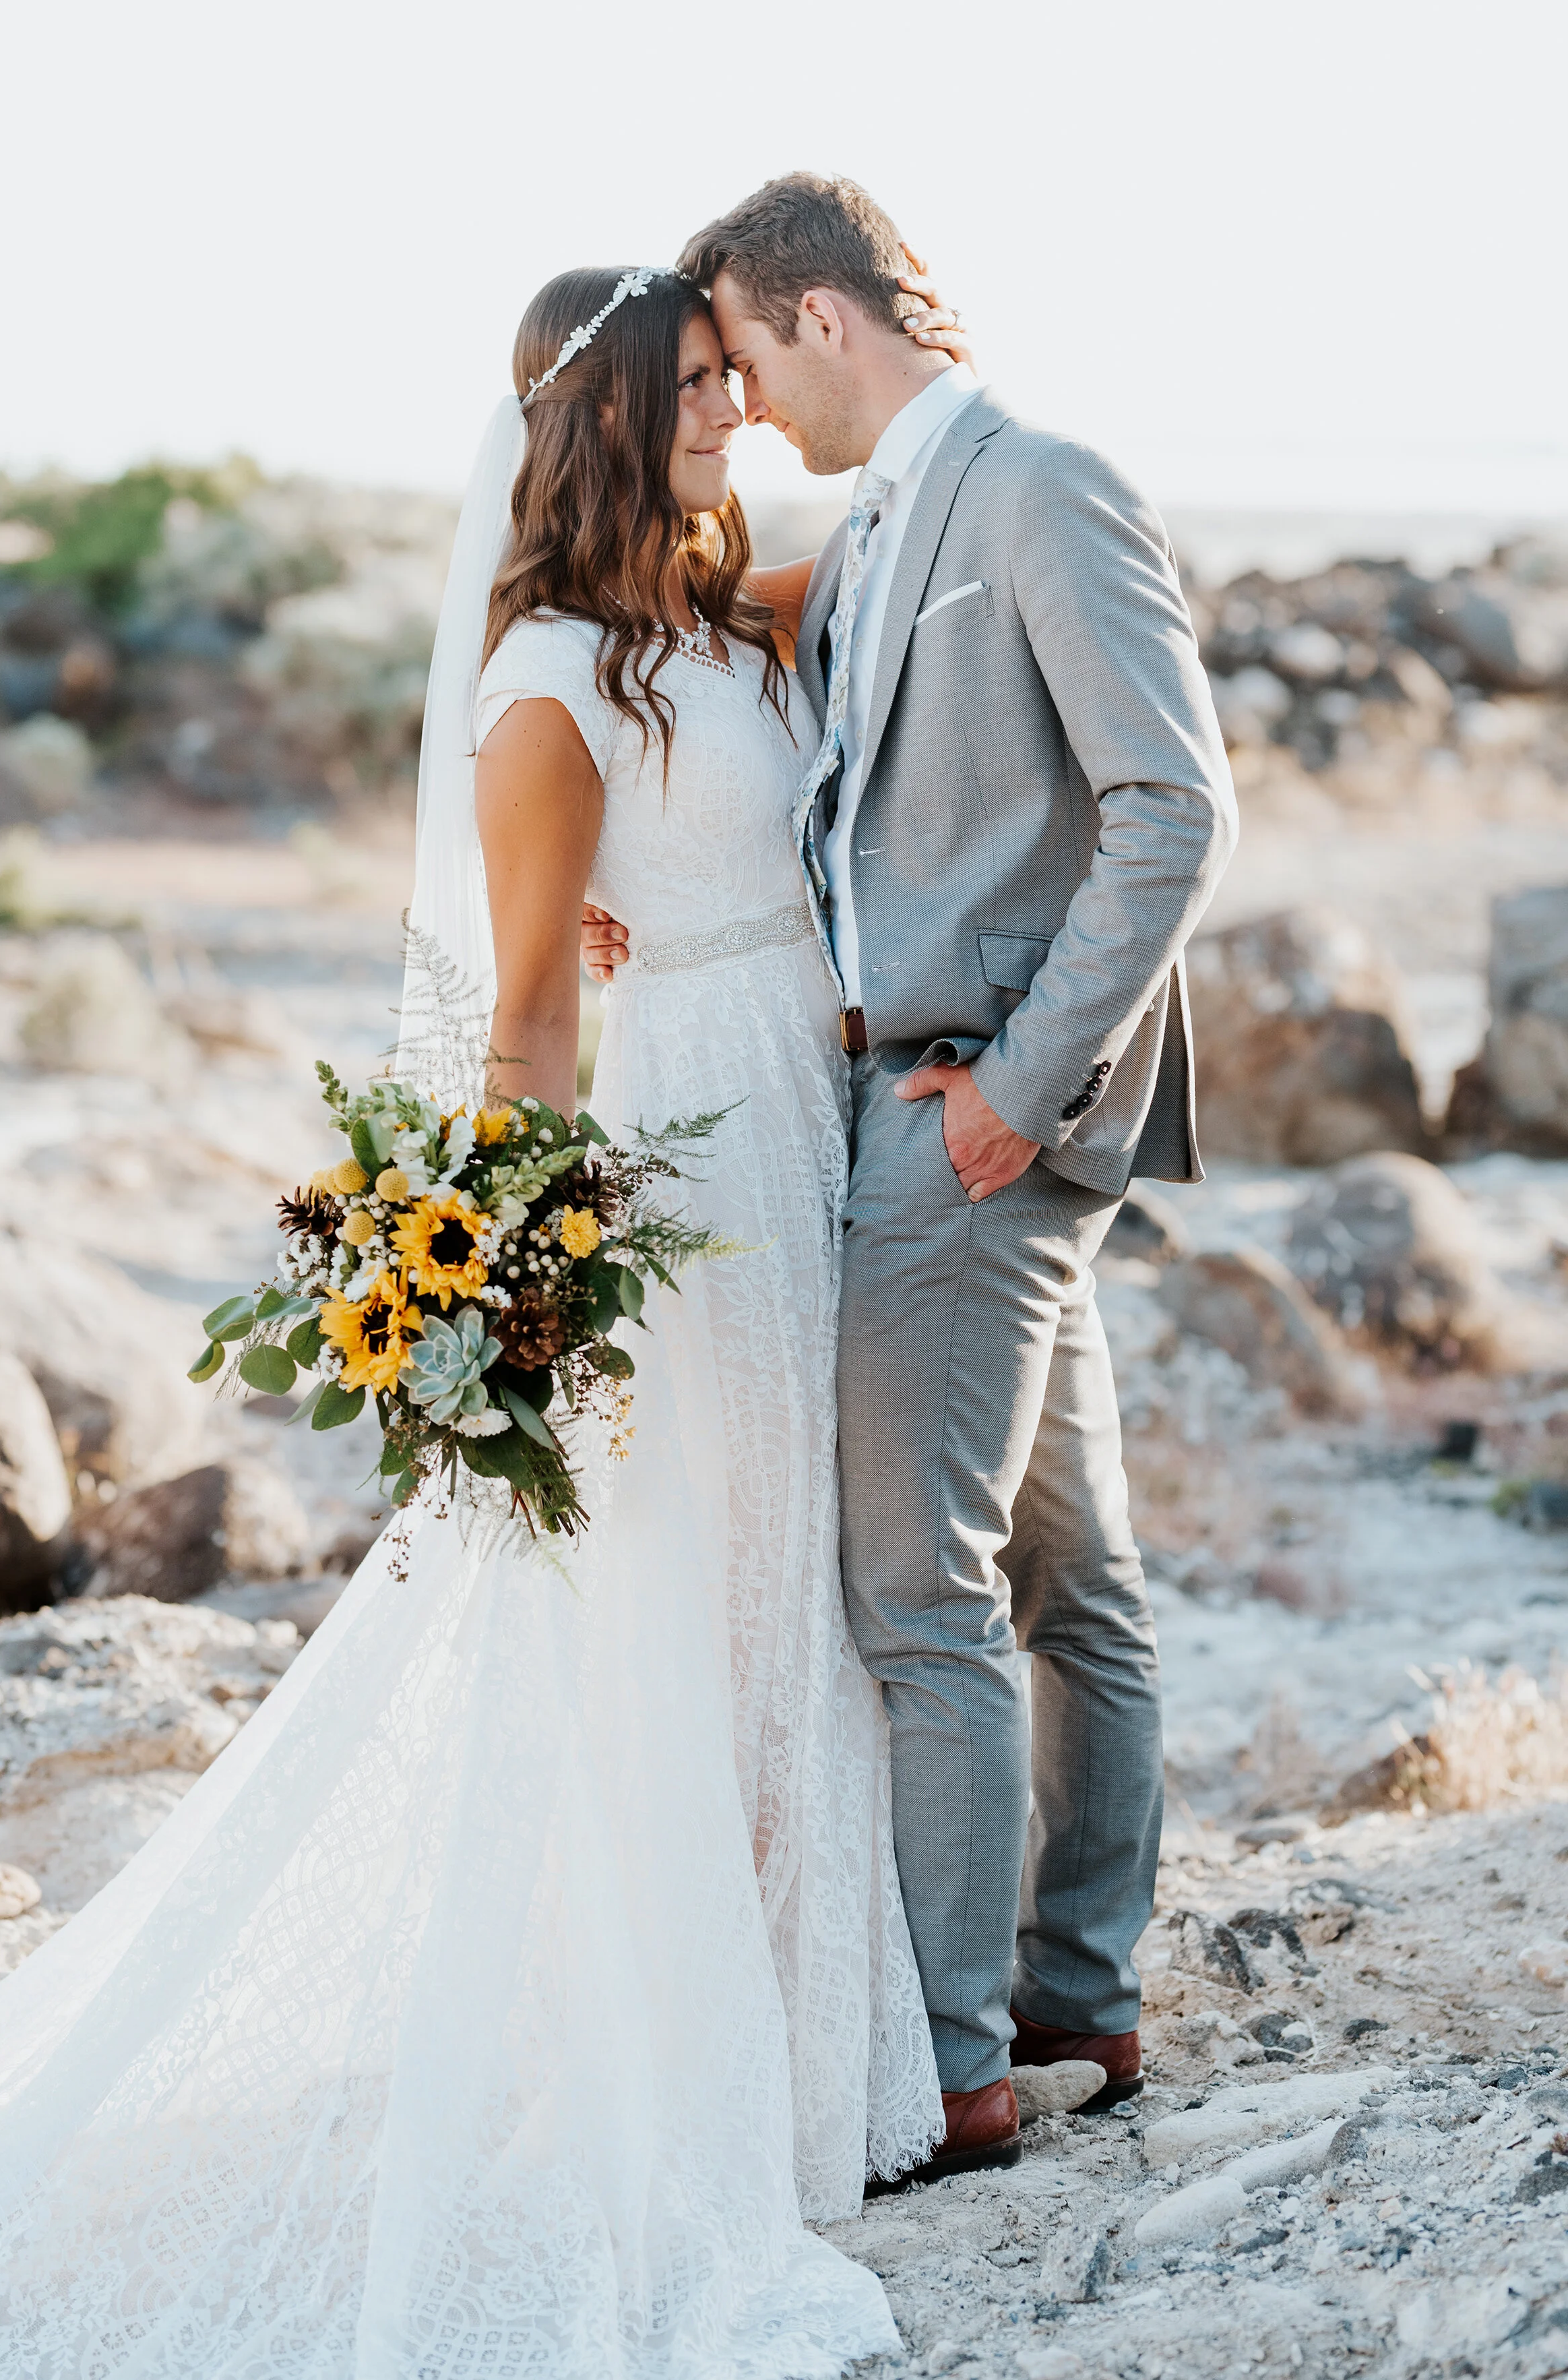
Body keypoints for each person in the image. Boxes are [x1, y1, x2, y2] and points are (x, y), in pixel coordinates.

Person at [0, 260, 975, 2377]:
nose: (730, 413)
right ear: (601, 419)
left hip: (811, 1117)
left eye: (731, 374)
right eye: (694, 388)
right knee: (700, 1615)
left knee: (794, 1602)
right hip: (690, 1160)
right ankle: (708, 2094)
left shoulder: (717, 617)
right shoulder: (546, 688)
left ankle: (808, 2062)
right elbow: (524, 1018)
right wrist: (518, 1278)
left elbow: (886, 530)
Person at [582, 173, 1238, 2180]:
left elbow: (1170, 806)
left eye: (750, 359)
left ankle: (953, 2058)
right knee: (1073, 1575)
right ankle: (1082, 2001)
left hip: (972, 1121)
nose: (749, 408)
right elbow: (838, 774)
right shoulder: (872, 531)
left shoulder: (1038, 489)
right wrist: (652, 893)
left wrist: (1010, 1099)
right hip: (926, 1097)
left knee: (913, 1591)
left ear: (821, 316)